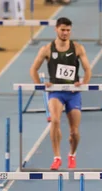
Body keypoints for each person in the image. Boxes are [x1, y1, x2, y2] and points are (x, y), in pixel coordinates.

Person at [29, 17, 91, 171]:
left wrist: (83, 84)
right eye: (62, 30)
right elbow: (33, 69)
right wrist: (40, 86)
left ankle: (72, 154)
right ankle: (57, 157)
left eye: (68, 30)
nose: (65, 33)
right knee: (55, 121)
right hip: (56, 92)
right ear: (56, 29)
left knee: (74, 132)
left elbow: (88, 69)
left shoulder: (77, 48)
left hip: (73, 92)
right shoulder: (47, 49)